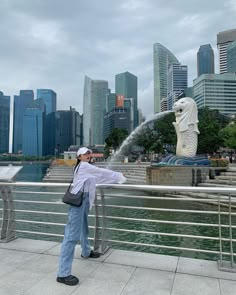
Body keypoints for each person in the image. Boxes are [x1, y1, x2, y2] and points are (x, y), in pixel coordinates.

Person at [57, 147, 126, 286]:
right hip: (78, 203)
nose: (88, 155)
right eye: (85, 154)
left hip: (84, 200)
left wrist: (116, 178)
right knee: (71, 237)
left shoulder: (84, 167)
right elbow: (102, 172)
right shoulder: (83, 166)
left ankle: (86, 252)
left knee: (84, 229)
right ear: (79, 157)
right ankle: (63, 274)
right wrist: (119, 176)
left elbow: (98, 177)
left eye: (89, 153)